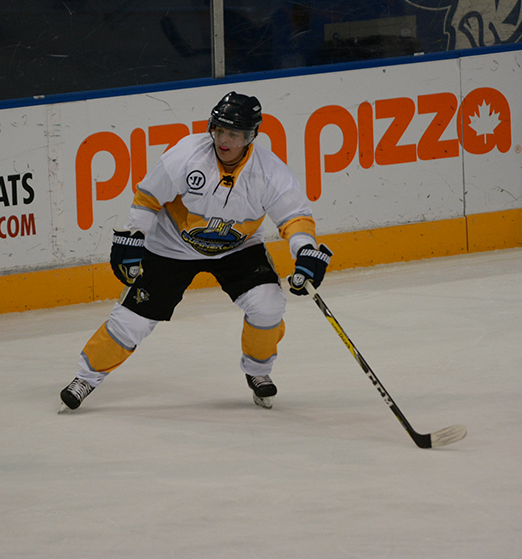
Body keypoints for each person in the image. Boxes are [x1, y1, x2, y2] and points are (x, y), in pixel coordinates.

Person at [60, 91, 331, 410]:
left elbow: (295, 217)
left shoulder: (270, 172)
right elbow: (148, 198)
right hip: (171, 245)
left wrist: (305, 251)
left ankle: (258, 372)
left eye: (233, 134)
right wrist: (135, 235)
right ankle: (86, 377)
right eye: (220, 130)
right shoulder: (186, 154)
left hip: (238, 249)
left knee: (268, 305)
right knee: (132, 321)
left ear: (250, 136)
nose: (224, 140)